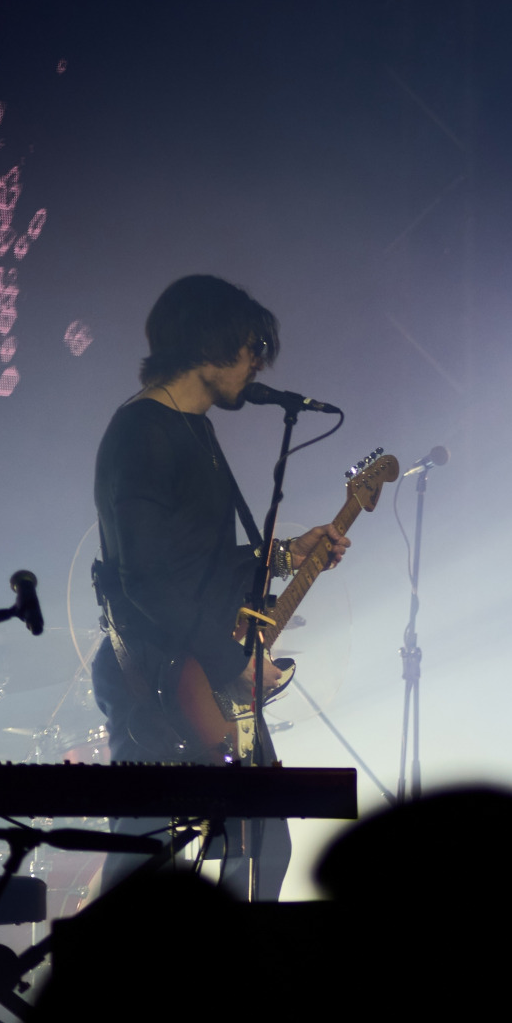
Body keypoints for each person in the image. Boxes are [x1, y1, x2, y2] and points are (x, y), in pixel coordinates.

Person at [90, 275, 349, 898]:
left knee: (262, 843)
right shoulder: (143, 432)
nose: (257, 362)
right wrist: (228, 658)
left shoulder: (193, 429)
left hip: (202, 666)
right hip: (158, 673)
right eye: (250, 346)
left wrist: (287, 555)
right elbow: (147, 578)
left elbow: (193, 562)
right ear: (210, 346)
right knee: (145, 853)